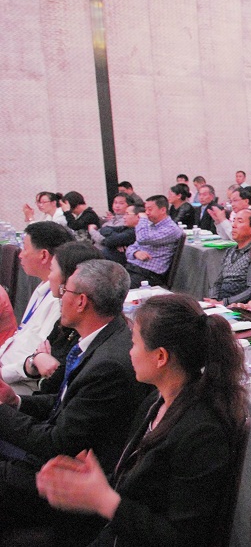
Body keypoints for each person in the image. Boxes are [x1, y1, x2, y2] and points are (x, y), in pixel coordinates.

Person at [32, 293, 251, 545]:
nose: (129, 352)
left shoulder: (202, 431)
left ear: (161, 357)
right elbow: (136, 490)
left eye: (134, 344)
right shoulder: (156, 402)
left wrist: (104, 499)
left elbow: (182, 538)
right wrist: (88, 487)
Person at [0, 261, 148, 533]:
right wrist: (15, 402)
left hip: (66, 482)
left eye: (64, 290)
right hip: (57, 461)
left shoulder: (109, 365)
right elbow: (66, 403)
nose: (59, 297)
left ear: (81, 302)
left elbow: (56, 443)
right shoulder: (104, 338)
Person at [21, 242, 104, 395]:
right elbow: (37, 355)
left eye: (52, 270)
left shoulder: (85, 327)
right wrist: (36, 359)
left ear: (69, 279)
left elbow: (54, 384)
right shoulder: (66, 320)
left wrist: (42, 362)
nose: (49, 276)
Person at [0, 222, 73, 385]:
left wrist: (3, 373)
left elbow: (39, 358)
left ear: (44, 255)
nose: (20, 255)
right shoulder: (43, 287)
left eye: (25, 249)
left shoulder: (60, 299)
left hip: (20, 384)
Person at [124, 195, 184, 288]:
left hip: (149, 275)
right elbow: (130, 248)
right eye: (146, 210)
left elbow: (142, 239)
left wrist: (143, 219)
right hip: (133, 269)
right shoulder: (150, 226)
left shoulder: (171, 229)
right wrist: (136, 253)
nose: (146, 213)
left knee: (116, 290)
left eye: (150, 209)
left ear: (163, 210)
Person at [207, 209, 251, 305]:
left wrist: (224, 302)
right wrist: (213, 298)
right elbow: (218, 281)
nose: (233, 225)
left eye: (240, 221)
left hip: (239, 305)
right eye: (233, 221)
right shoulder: (230, 251)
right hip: (220, 302)